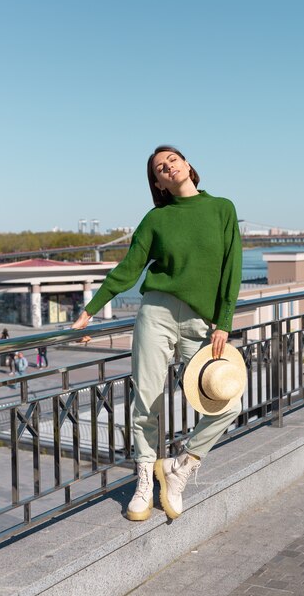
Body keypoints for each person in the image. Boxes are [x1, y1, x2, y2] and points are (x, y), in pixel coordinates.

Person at [72, 145, 242, 522]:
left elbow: (232, 267)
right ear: (158, 183)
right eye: (160, 168)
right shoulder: (156, 219)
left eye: (173, 160)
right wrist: (90, 310)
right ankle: (145, 480)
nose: (168, 167)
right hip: (156, 313)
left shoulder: (222, 209)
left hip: (202, 323)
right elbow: (129, 268)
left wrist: (224, 321)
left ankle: (181, 467)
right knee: (146, 401)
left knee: (229, 403)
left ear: (188, 165)